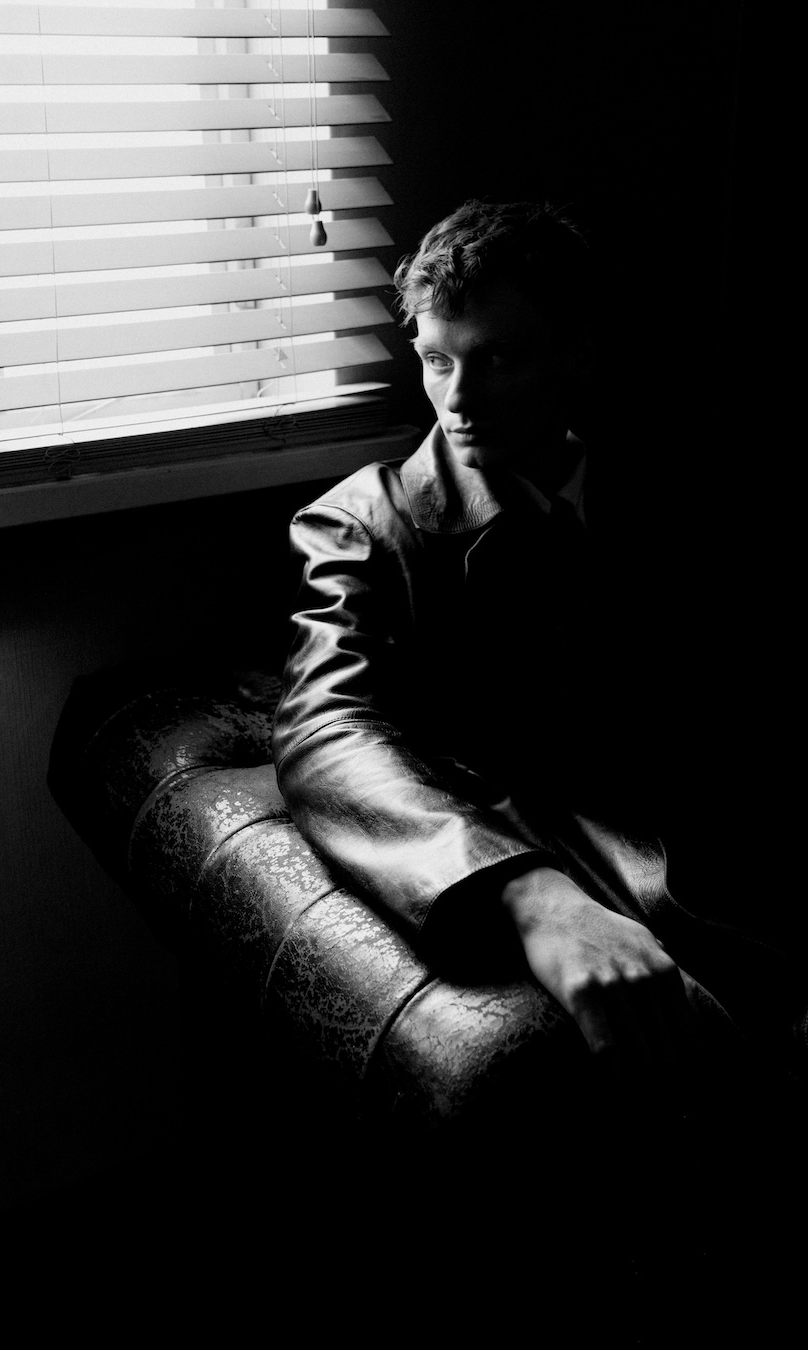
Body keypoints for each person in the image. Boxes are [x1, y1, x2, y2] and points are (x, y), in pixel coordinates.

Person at [271, 199, 805, 1099]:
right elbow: (326, 729)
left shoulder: (674, 488)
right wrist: (524, 891)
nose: (457, 400)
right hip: (616, 881)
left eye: (495, 359)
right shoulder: (364, 525)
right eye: (436, 361)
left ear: (578, 356)